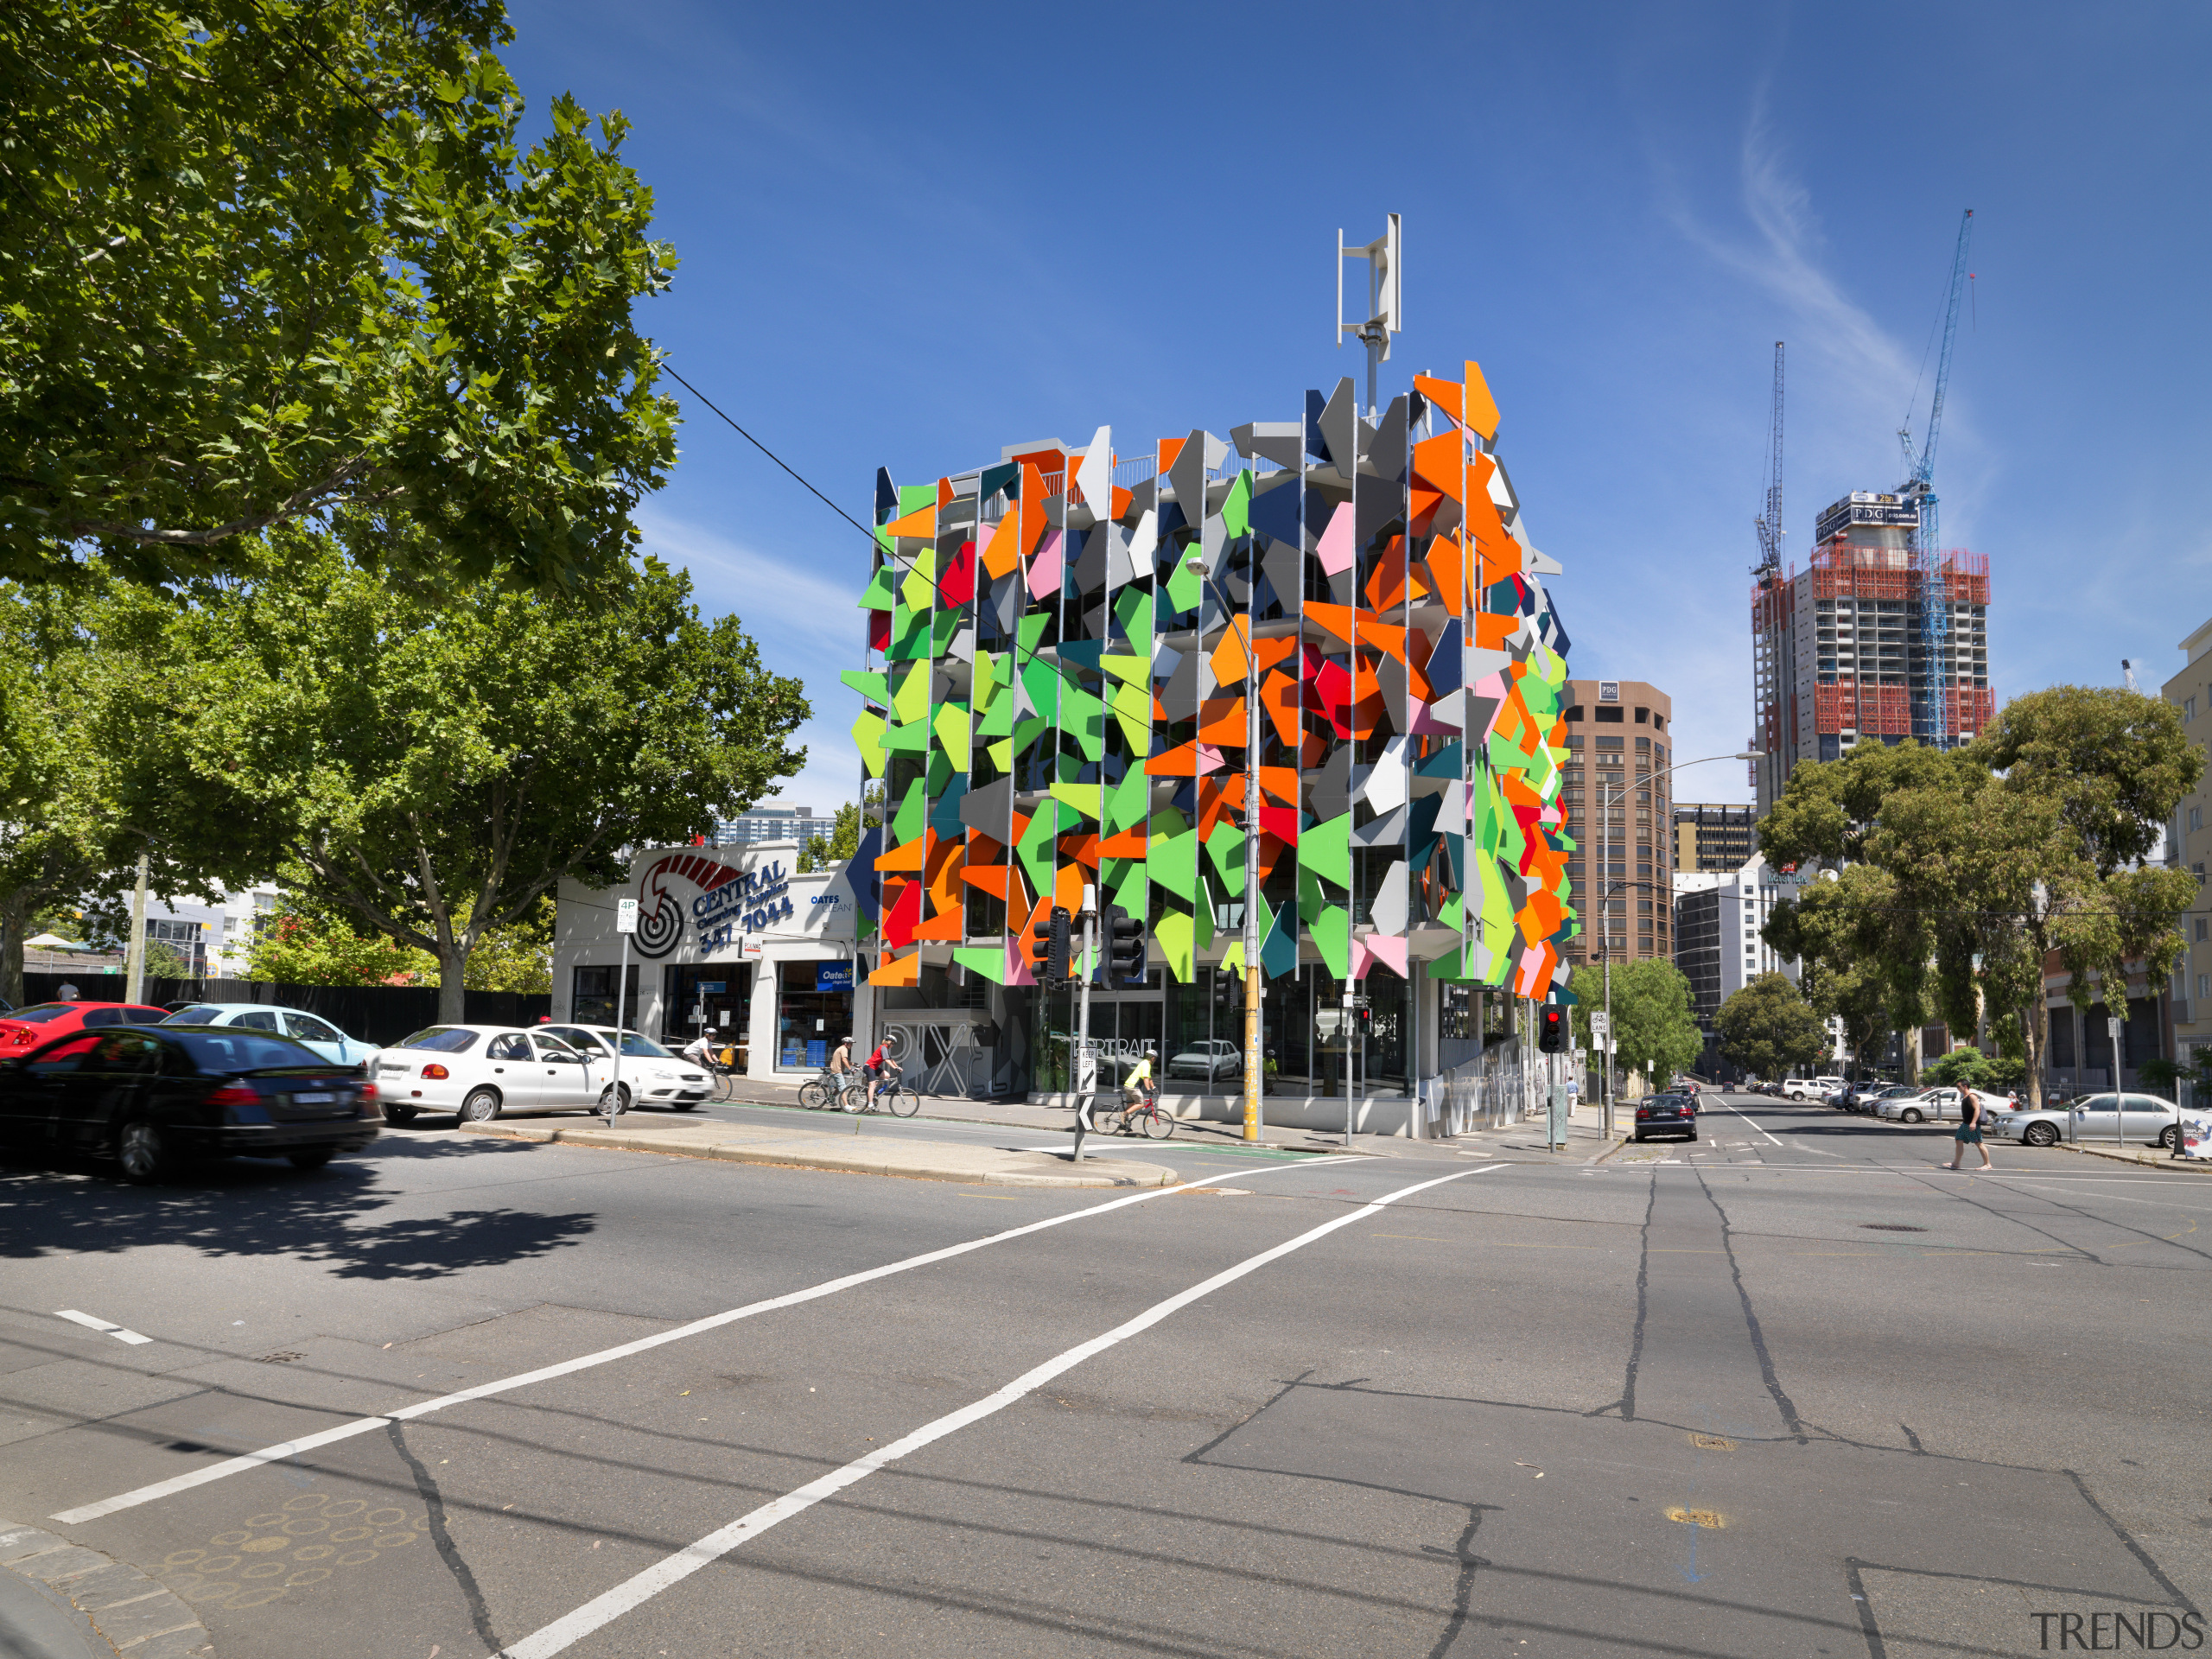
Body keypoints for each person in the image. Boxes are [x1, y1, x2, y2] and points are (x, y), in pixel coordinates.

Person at [1948, 1086, 1992, 1172]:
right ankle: (1956, 1163)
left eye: (1959, 1086)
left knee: (1978, 1143)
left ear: (1965, 1087)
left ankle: (1987, 1164)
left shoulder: (1972, 1096)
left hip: (1971, 1124)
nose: (1958, 1088)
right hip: (1965, 1124)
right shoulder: (1964, 1097)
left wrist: (1973, 1122)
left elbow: (1977, 1110)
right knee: (1959, 1140)